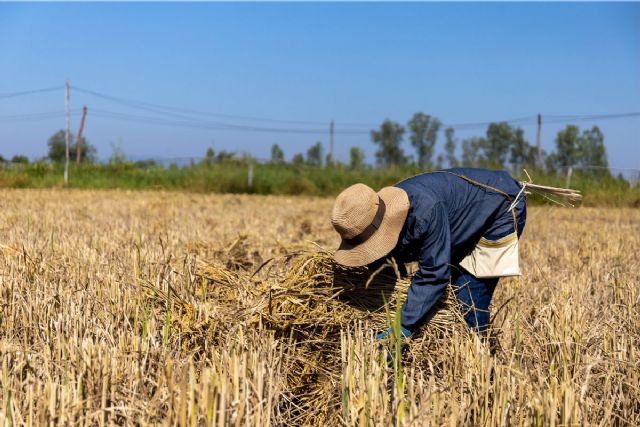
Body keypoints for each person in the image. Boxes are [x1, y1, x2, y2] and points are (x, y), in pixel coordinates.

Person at [330, 168, 527, 338]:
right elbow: (385, 262)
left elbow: (434, 273)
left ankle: (480, 353)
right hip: (455, 211)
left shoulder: (424, 212)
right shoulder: (373, 214)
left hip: (500, 206)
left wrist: (404, 326)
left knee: (466, 296)